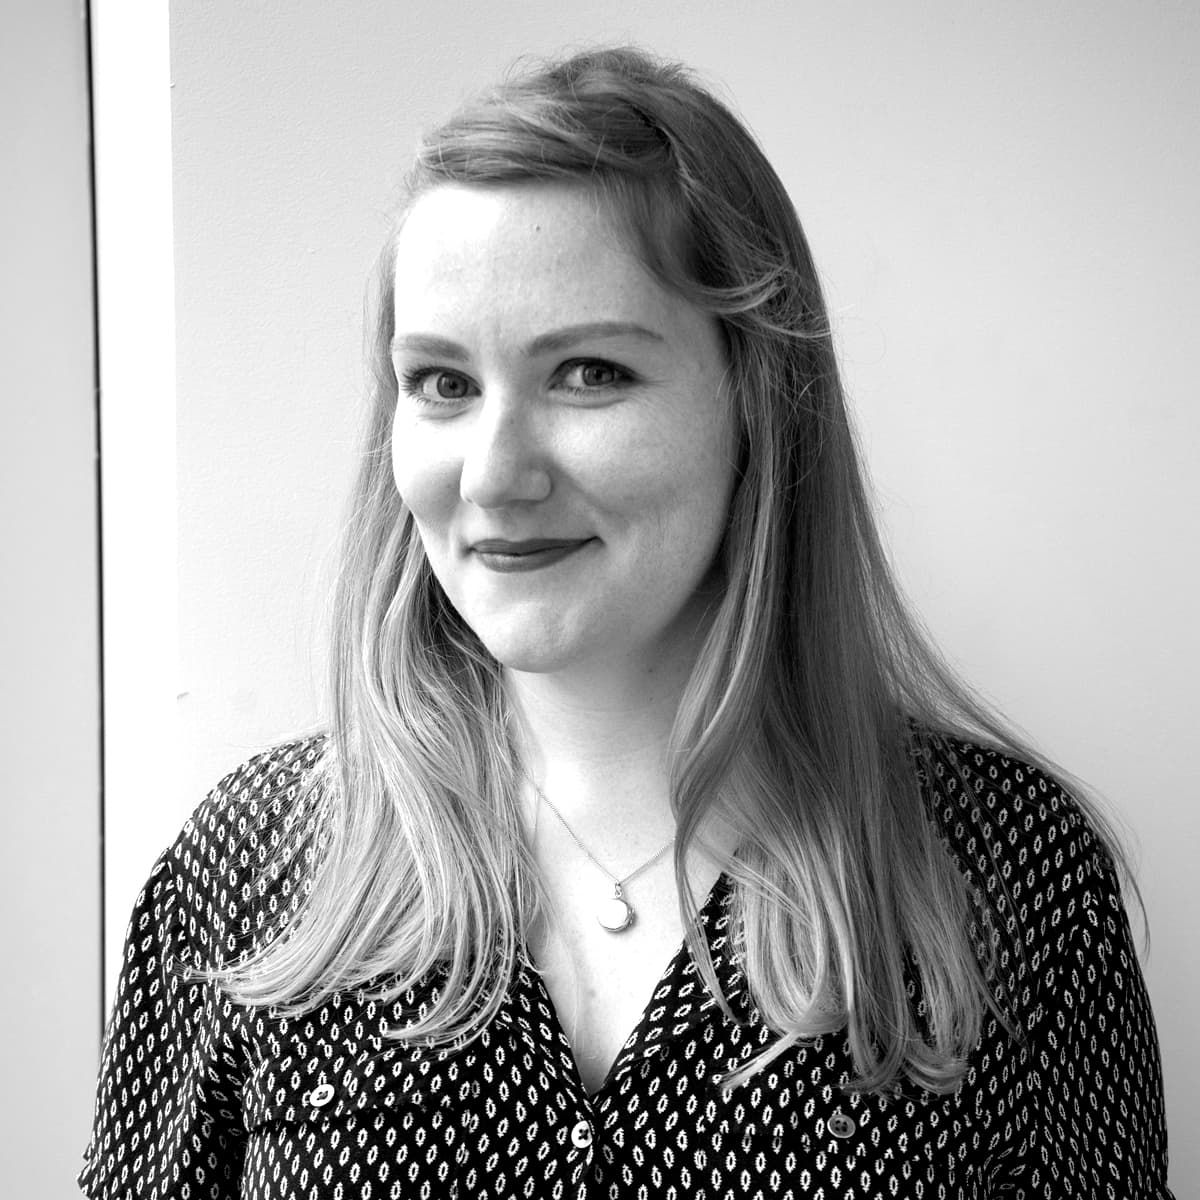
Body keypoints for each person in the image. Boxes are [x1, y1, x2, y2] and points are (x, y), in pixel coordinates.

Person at [79, 46, 1173, 1199]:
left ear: (755, 403)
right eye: (444, 383)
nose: (494, 476)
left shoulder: (1006, 872)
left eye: (589, 373)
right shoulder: (249, 869)